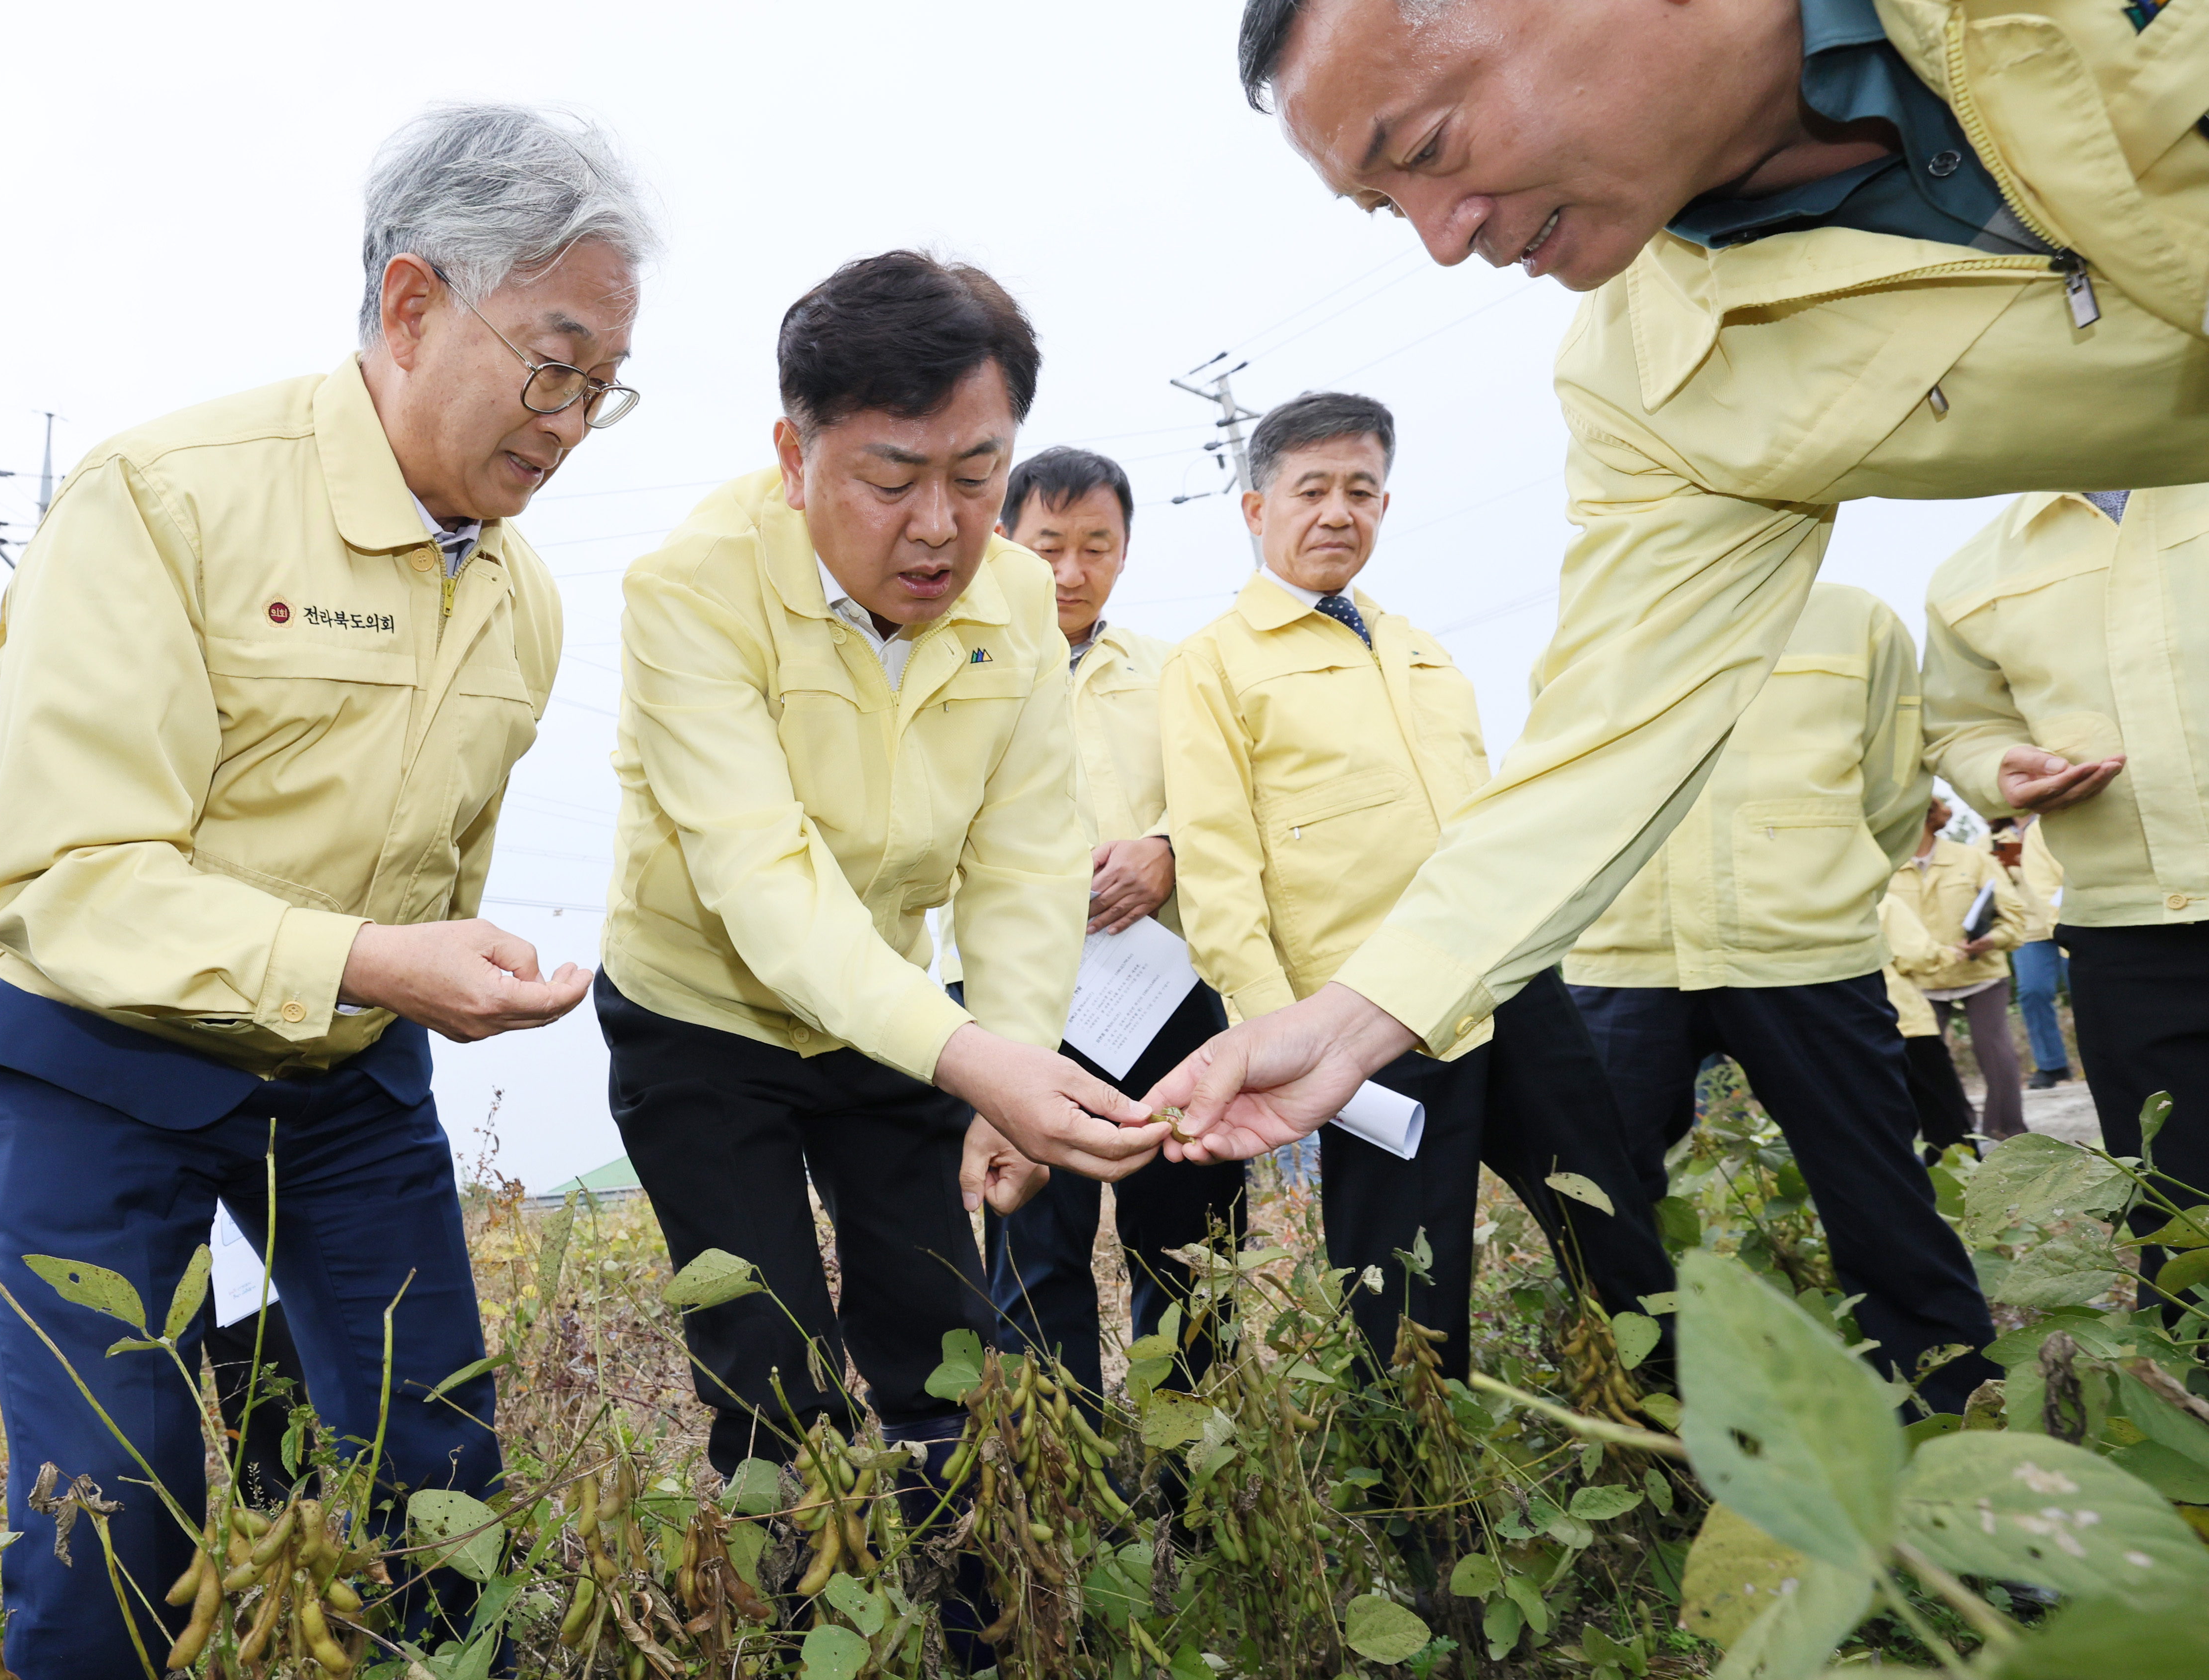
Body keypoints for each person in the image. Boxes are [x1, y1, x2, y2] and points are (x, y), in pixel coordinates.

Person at [1149, 0, 2209, 1160]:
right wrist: (1358, 1019)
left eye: (1426, 149)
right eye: (1381, 205)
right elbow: (1604, 737)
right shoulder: (1656, 384)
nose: (1443, 241)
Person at [0, 105, 652, 1680]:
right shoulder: (163, 502)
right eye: (552, 364)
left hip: (341, 1071)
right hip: (94, 1053)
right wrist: (380, 956)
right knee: (114, 1502)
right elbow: (71, 882)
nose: (573, 419)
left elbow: (423, 874)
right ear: (411, 304)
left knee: (434, 1466)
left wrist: (439, 969)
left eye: (602, 385)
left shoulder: (522, 597)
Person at [598, 252, 1163, 1480]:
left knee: (939, 1334)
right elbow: (763, 881)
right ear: (795, 459)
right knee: (768, 1355)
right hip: (705, 1014)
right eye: (891, 478)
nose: (938, 526)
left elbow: (1021, 855)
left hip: (891, 1018)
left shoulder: (1013, 603)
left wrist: (1011, 1052)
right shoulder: (688, 592)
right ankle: (812, 1637)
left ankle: (967, 1627)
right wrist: (980, 1060)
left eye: (976, 476)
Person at [1159, 391, 1673, 1376]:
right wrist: (1277, 1037)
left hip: (1502, 987)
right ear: (1253, 509)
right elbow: (1218, 873)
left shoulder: (1418, 647)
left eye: (1360, 489)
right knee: (1403, 1293)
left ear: (1384, 506)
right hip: (1359, 1018)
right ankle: (1422, 1514)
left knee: (1615, 1230)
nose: (1336, 511)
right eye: (1309, 489)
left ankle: (1678, 1455)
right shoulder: (1212, 664)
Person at [1563, 582, 1993, 1408]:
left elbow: (1894, 795)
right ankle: (1658, 1425)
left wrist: (1810, 873)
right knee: (1601, 1206)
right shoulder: (1597, 614)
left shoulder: (1855, 621)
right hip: (1625, 955)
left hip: (1807, 951)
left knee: (1879, 1195)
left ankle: (1952, 1417)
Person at [959, 446, 1249, 1404]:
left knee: (1189, 1240)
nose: (1072, 572)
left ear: (1126, 551)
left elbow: (1230, 804)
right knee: (1036, 1246)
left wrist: (1167, 846)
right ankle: (1071, 1480)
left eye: (1098, 546)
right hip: (1016, 1008)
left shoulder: (1175, 673)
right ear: (1003, 538)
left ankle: (1196, 1478)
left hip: (1166, 999)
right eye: (1049, 545)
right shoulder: (956, 664)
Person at [1923, 483, 2209, 1286]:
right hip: (2129, 935)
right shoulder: (1972, 576)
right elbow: (1961, 724)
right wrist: (1995, 768)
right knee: (2185, 1218)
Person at [1887, 799, 2030, 1139]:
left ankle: (2007, 1133)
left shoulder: (1975, 857)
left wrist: (1992, 940)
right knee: (1924, 1062)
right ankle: (1957, 1134)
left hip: (1981, 971)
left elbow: (2014, 918)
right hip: (1920, 978)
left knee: (1995, 1051)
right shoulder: (1886, 867)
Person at [1881, 892, 1979, 1162]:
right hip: (1902, 1017)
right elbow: (1916, 955)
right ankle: (1961, 1184)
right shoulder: (1881, 901)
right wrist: (1947, 954)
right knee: (1943, 1115)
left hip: (1838, 1024)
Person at [1989, 816, 2076, 1087]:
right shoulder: (1993, 840)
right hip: (2031, 929)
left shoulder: (2061, 821)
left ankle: (2106, 1057)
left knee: (2089, 992)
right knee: (2032, 992)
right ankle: (2052, 1065)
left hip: (2072, 918)